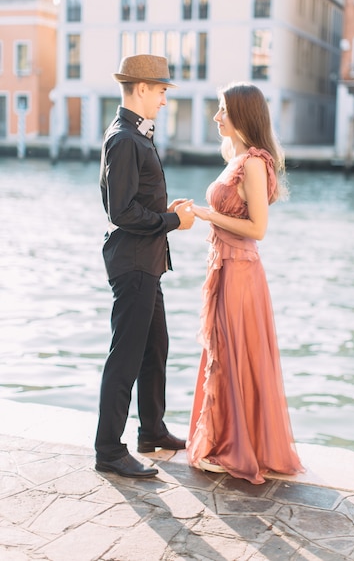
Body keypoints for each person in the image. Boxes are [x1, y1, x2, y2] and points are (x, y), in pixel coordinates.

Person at [186, 82, 303, 484]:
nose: (217, 117)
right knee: (224, 350)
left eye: (223, 110)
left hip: (239, 270)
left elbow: (258, 228)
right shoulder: (234, 156)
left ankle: (236, 446)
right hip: (224, 266)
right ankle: (225, 440)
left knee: (233, 352)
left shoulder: (253, 162)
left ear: (242, 115)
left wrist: (205, 214)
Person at [95, 54, 195, 478]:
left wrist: (164, 211)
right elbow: (121, 211)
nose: (164, 100)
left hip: (147, 263)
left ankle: (151, 431)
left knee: (156, 349)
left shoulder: (136, 137)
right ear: (139, 89)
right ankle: (109, 451)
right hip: (134, 264)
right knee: (127, 356)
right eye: (160, 91)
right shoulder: (124, 139)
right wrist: (174, 221)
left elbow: (137, 203)